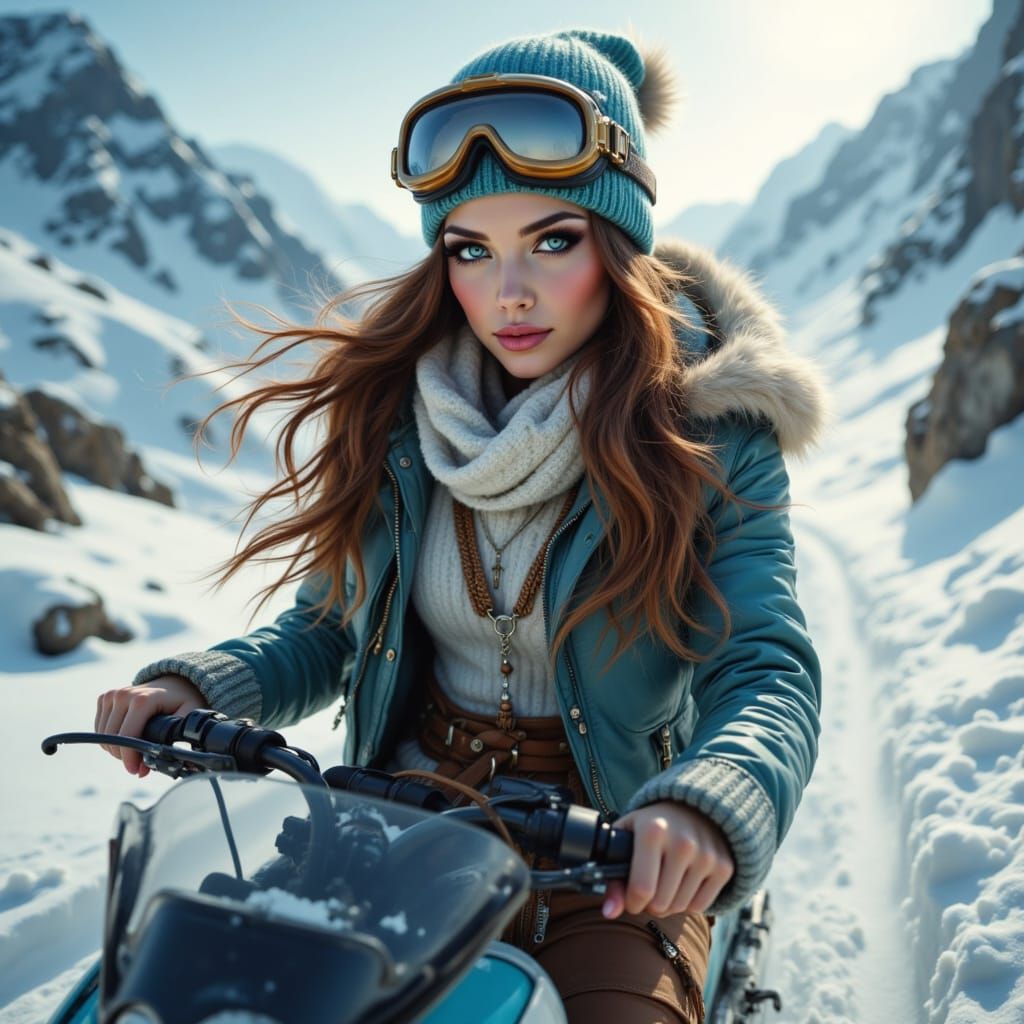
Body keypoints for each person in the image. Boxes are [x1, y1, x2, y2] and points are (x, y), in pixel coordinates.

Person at [94, 27, 827, 1024]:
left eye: (551, 240)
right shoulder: (398, 420)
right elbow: (327, 627)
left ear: (617, 248)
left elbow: (765, 667)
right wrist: (194, 684)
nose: (507, 292)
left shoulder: (713, 434)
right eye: (470, 250)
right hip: (391, 820)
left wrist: (701, 802)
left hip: (612, 851)